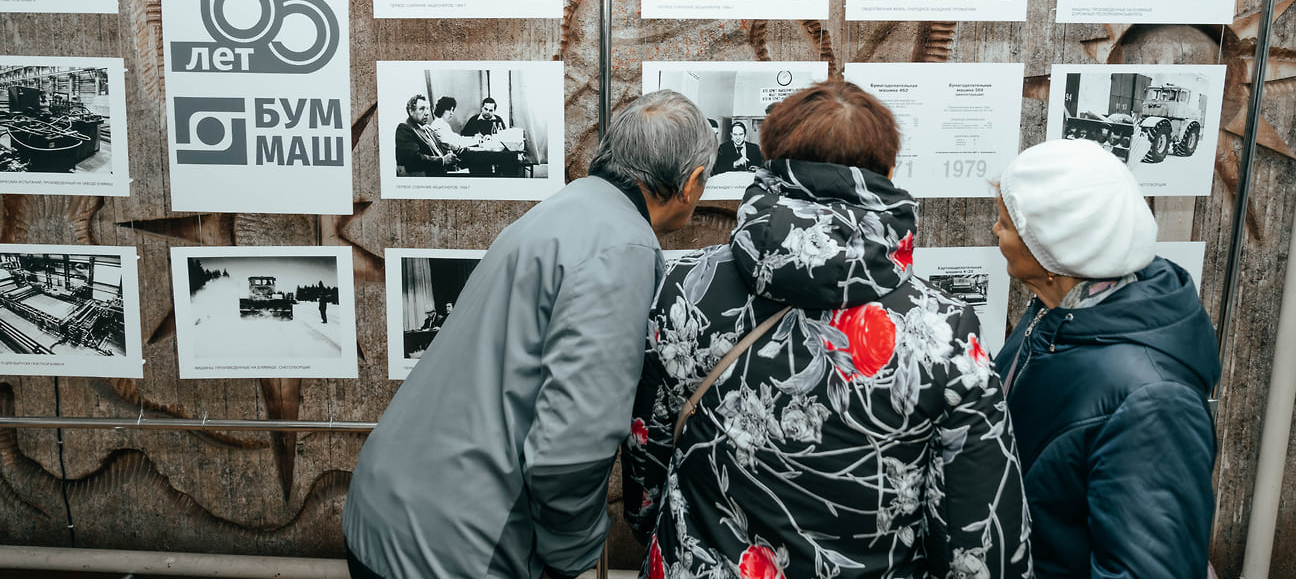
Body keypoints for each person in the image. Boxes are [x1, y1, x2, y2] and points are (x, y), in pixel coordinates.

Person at [623, 81, 1032, 579]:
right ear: (883, 172)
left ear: (771, 161)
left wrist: (654, 529)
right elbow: (978, 538)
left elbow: (649, 447)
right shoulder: (943, 333)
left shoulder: (690, 287)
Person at [343, 90, 718, 579]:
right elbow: (572, 445)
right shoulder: (623, 247)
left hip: (386, 510)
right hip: (456, 549)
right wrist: (571, 559)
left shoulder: (563, 210)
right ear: (690, 184)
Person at [992, 139, 1219, 579]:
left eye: (1005, 223)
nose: (995, 231)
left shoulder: (1153, 402)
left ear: (1052, 250)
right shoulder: (1059, 309)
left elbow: (1149, 568)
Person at [394, 94, 459, 176]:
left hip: (441, 173)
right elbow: (414, 159)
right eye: (422, 109)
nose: (427, 113)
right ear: (411, 111)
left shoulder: (427, 128)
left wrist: (448, 153)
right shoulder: (405, 128)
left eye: (427, 108)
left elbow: (437, 151)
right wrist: (442, 160)